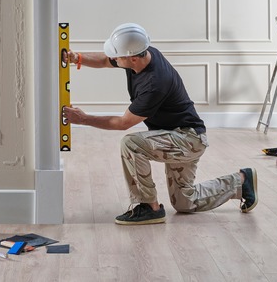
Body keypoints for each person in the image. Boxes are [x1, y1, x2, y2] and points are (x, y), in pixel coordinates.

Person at [62, 23, 258, 225]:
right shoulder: (141, 55)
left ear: (133, 58)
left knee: (131, 143)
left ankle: (149, 207)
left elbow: (123, 123)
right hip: (174, 135)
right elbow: (105, 60)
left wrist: (83, 119)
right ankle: (242, 181)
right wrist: (77, 58)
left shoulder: (154, 83)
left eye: (117, 56)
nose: (113, 58)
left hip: (188, 139)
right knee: (185, 202)